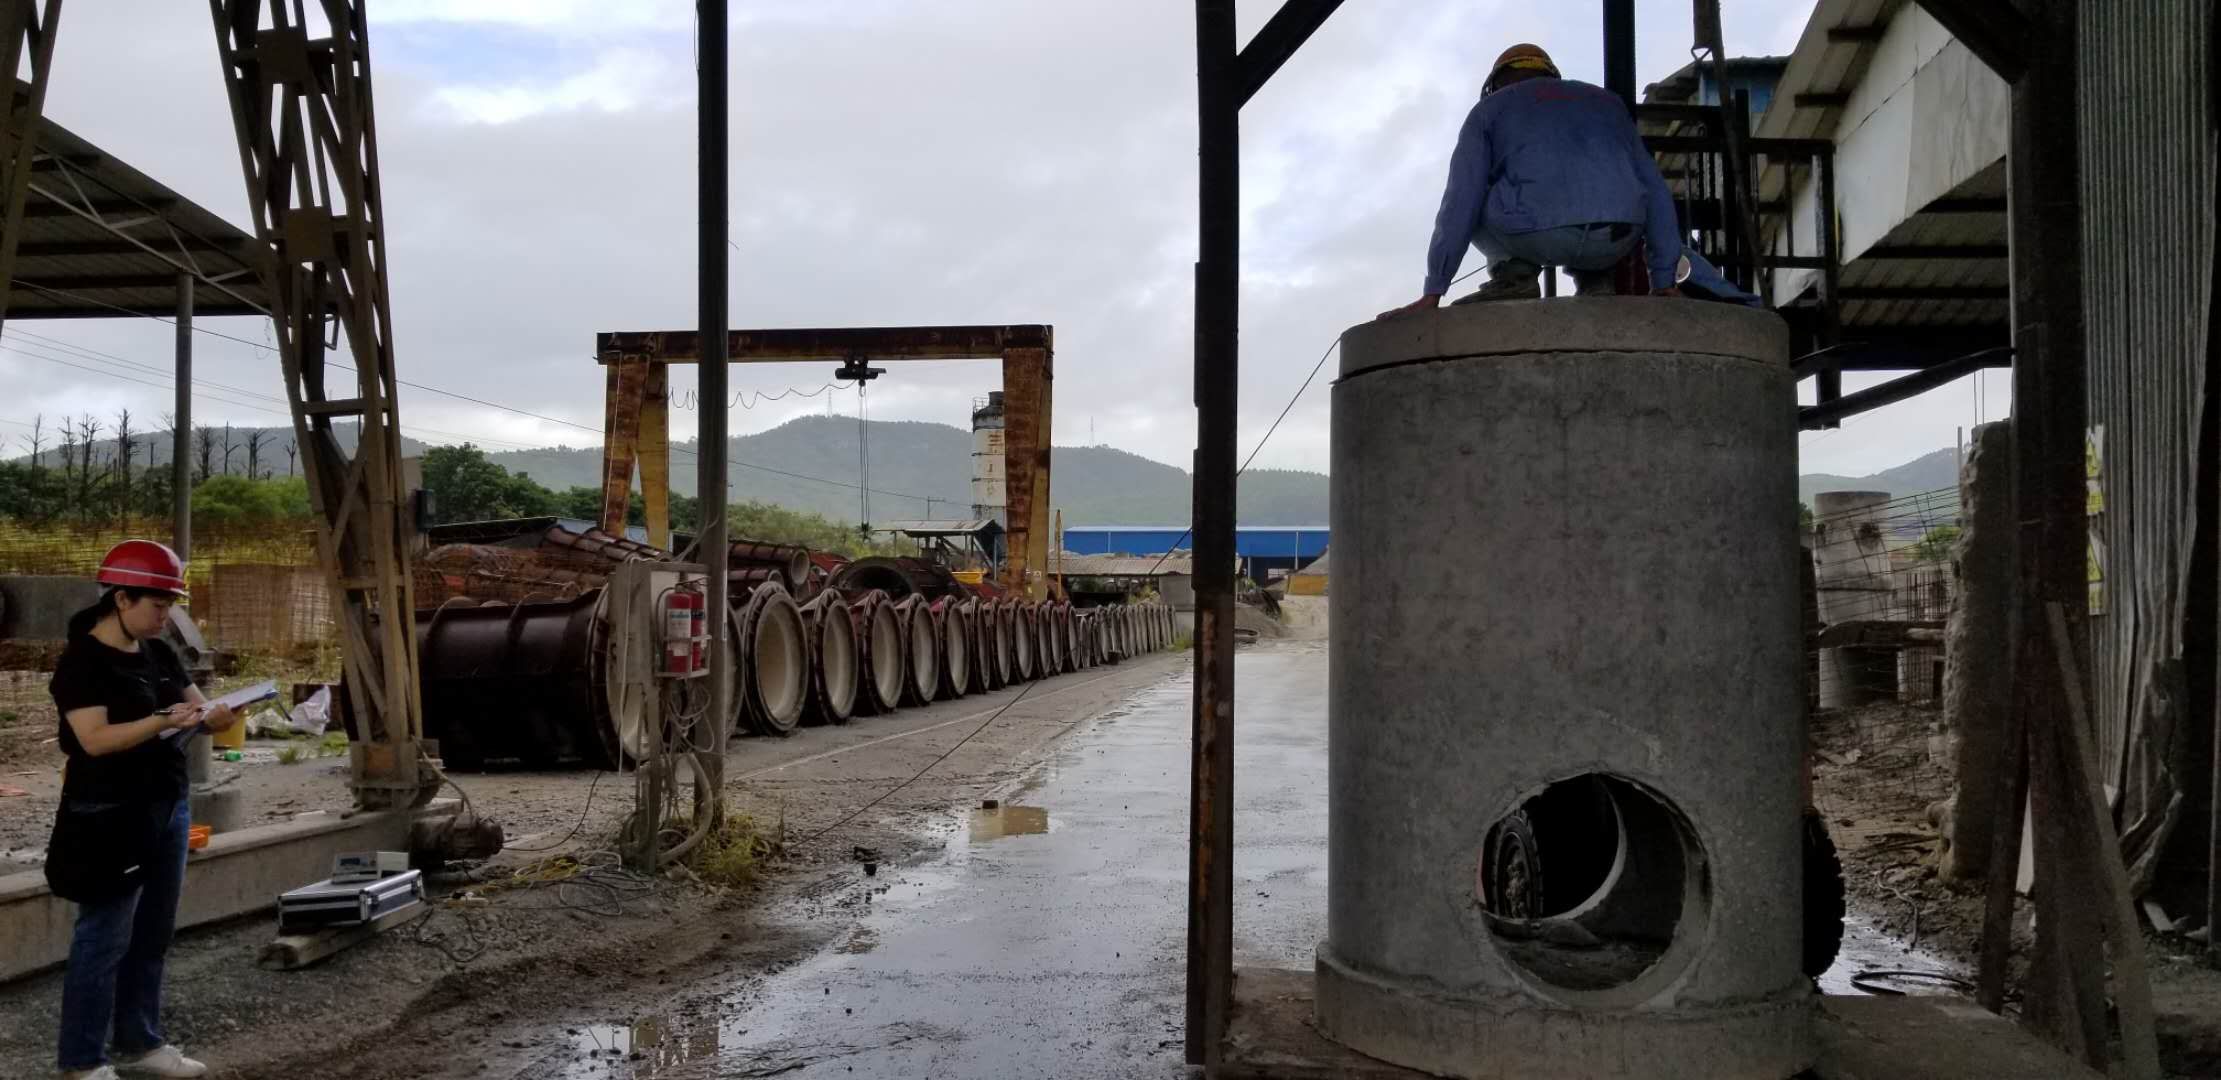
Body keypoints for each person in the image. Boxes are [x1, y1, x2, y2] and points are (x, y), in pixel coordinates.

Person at [46, 540, 235, 1080]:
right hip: (109, 812)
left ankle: (140, 1042)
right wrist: (163, 721)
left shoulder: (156, 652)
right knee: (103, 935)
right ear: (122, 598)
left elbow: (193, 705)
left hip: (166, 805)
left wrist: (214, 716)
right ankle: (81, 1061)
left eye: (170, 605)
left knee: (152, 930)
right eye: (157, 606)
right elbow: (95, 740)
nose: (165, 616)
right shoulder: (83, 661)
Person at [1380, 43, 1684, 319]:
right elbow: (1656, 191)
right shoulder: (1609, 104)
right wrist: (1664, 280)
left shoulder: (1489, 110)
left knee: (1476, 192)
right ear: (1551, 76)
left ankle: (1515, 277)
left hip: (1533, 233)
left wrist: (1434, 290)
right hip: (1617, 238)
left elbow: (1460, 201)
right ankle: (1597, 282)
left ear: (1496, 83)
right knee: (1613, 193)